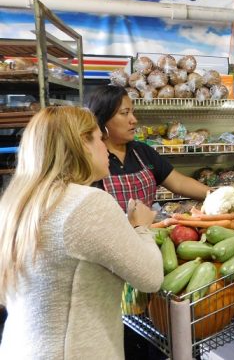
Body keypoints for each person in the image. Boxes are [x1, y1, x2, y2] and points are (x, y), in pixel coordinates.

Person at [0, 106, 163, 359]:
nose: (105, 147)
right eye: (99, 138)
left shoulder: (17, 203)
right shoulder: (87, 203)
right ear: (81, 144)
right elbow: (150, 277)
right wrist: (142, 227)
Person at [85, 84, 209, 212]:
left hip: (147, 230)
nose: (133, 120)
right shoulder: (91, 158)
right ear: (103, 118)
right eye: (124, 113)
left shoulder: (141, 151)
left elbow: (179, 183)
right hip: (112, 231)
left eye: (133, 112)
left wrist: (219, 195)